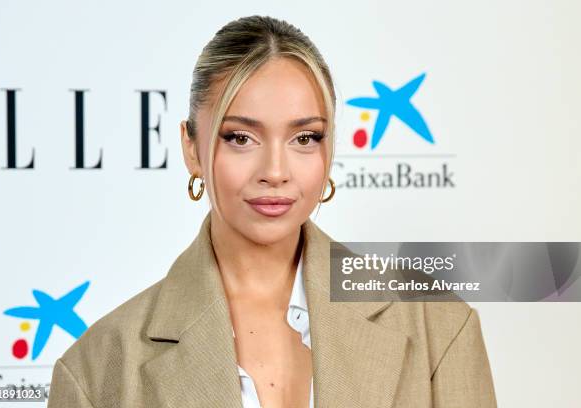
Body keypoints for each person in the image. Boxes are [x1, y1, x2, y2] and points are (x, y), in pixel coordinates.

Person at [47, 15, 497, 407]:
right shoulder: (98, 370)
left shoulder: (438, 326)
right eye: (241, 138)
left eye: (305, 138)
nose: (276, 172)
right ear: (191, 147)